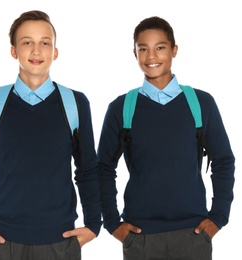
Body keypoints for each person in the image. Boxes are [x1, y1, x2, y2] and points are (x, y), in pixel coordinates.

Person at [0, 10, 102, 260]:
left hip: (61, 242)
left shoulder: (76, 103)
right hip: (4, 242)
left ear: (55, 51)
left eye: (45, 43)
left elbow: (88, 169)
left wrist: (93, 225)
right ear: (14, 50)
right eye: (27, 42)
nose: (36, 51)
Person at [97, 16, 235, 260]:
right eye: (143, 49)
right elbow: (103, 168)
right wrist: (112, 223)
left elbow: (223, 161)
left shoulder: (201, 103)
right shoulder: (121, 108)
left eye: (160, 48)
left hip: (194, 234)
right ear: (135, 54)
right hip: (140, 236)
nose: (151, 57)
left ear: (174, 50)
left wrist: (219, 217)